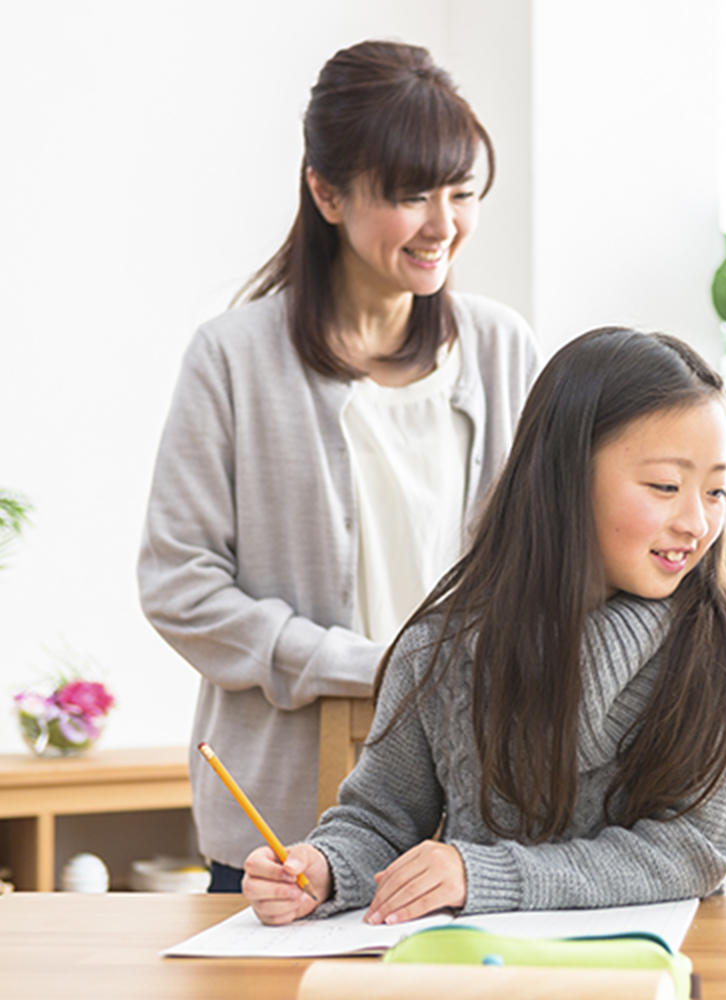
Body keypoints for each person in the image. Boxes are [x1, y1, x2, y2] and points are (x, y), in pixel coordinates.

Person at [137, 41, 540, 893]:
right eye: (409, 196)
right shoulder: (233, 359)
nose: (443, 226)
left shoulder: (501, 349)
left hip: (467, 825)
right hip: (282, 823)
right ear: (326, 192)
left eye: (463, 194)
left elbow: (540, 560)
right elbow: (179, 584)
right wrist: (353, 664)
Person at [237, 327, 726, 925]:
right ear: (566, 476)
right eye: (665, 487)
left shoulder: (724, 645)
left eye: (715, 491)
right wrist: (324, 866)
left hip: (650, 972)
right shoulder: (442, 648)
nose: (696, 522)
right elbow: (380, 820)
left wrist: (482, 874)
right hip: (480, 971)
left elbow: (689, 853)